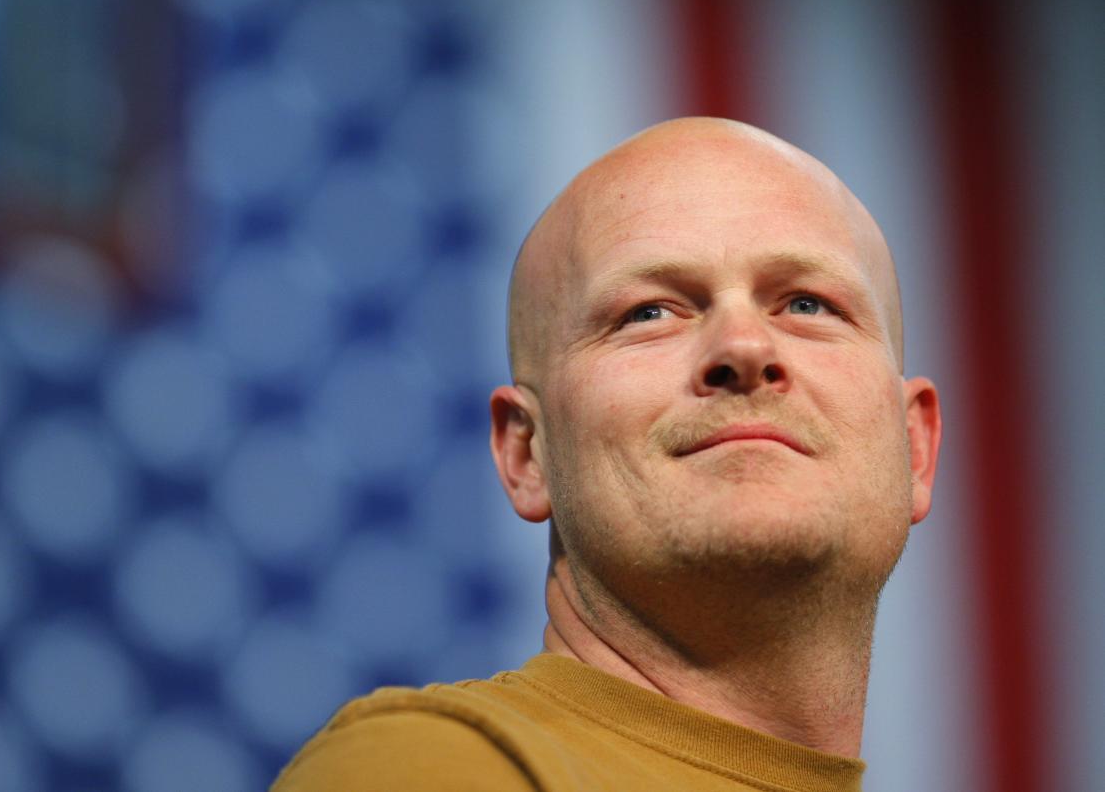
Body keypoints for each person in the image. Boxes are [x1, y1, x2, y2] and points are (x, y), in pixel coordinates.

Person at [272, 117, 942, 791]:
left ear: (915, 446)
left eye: (807, 303)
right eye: (650, 312)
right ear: (526, 454)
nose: (743, 347)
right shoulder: (423, 772)